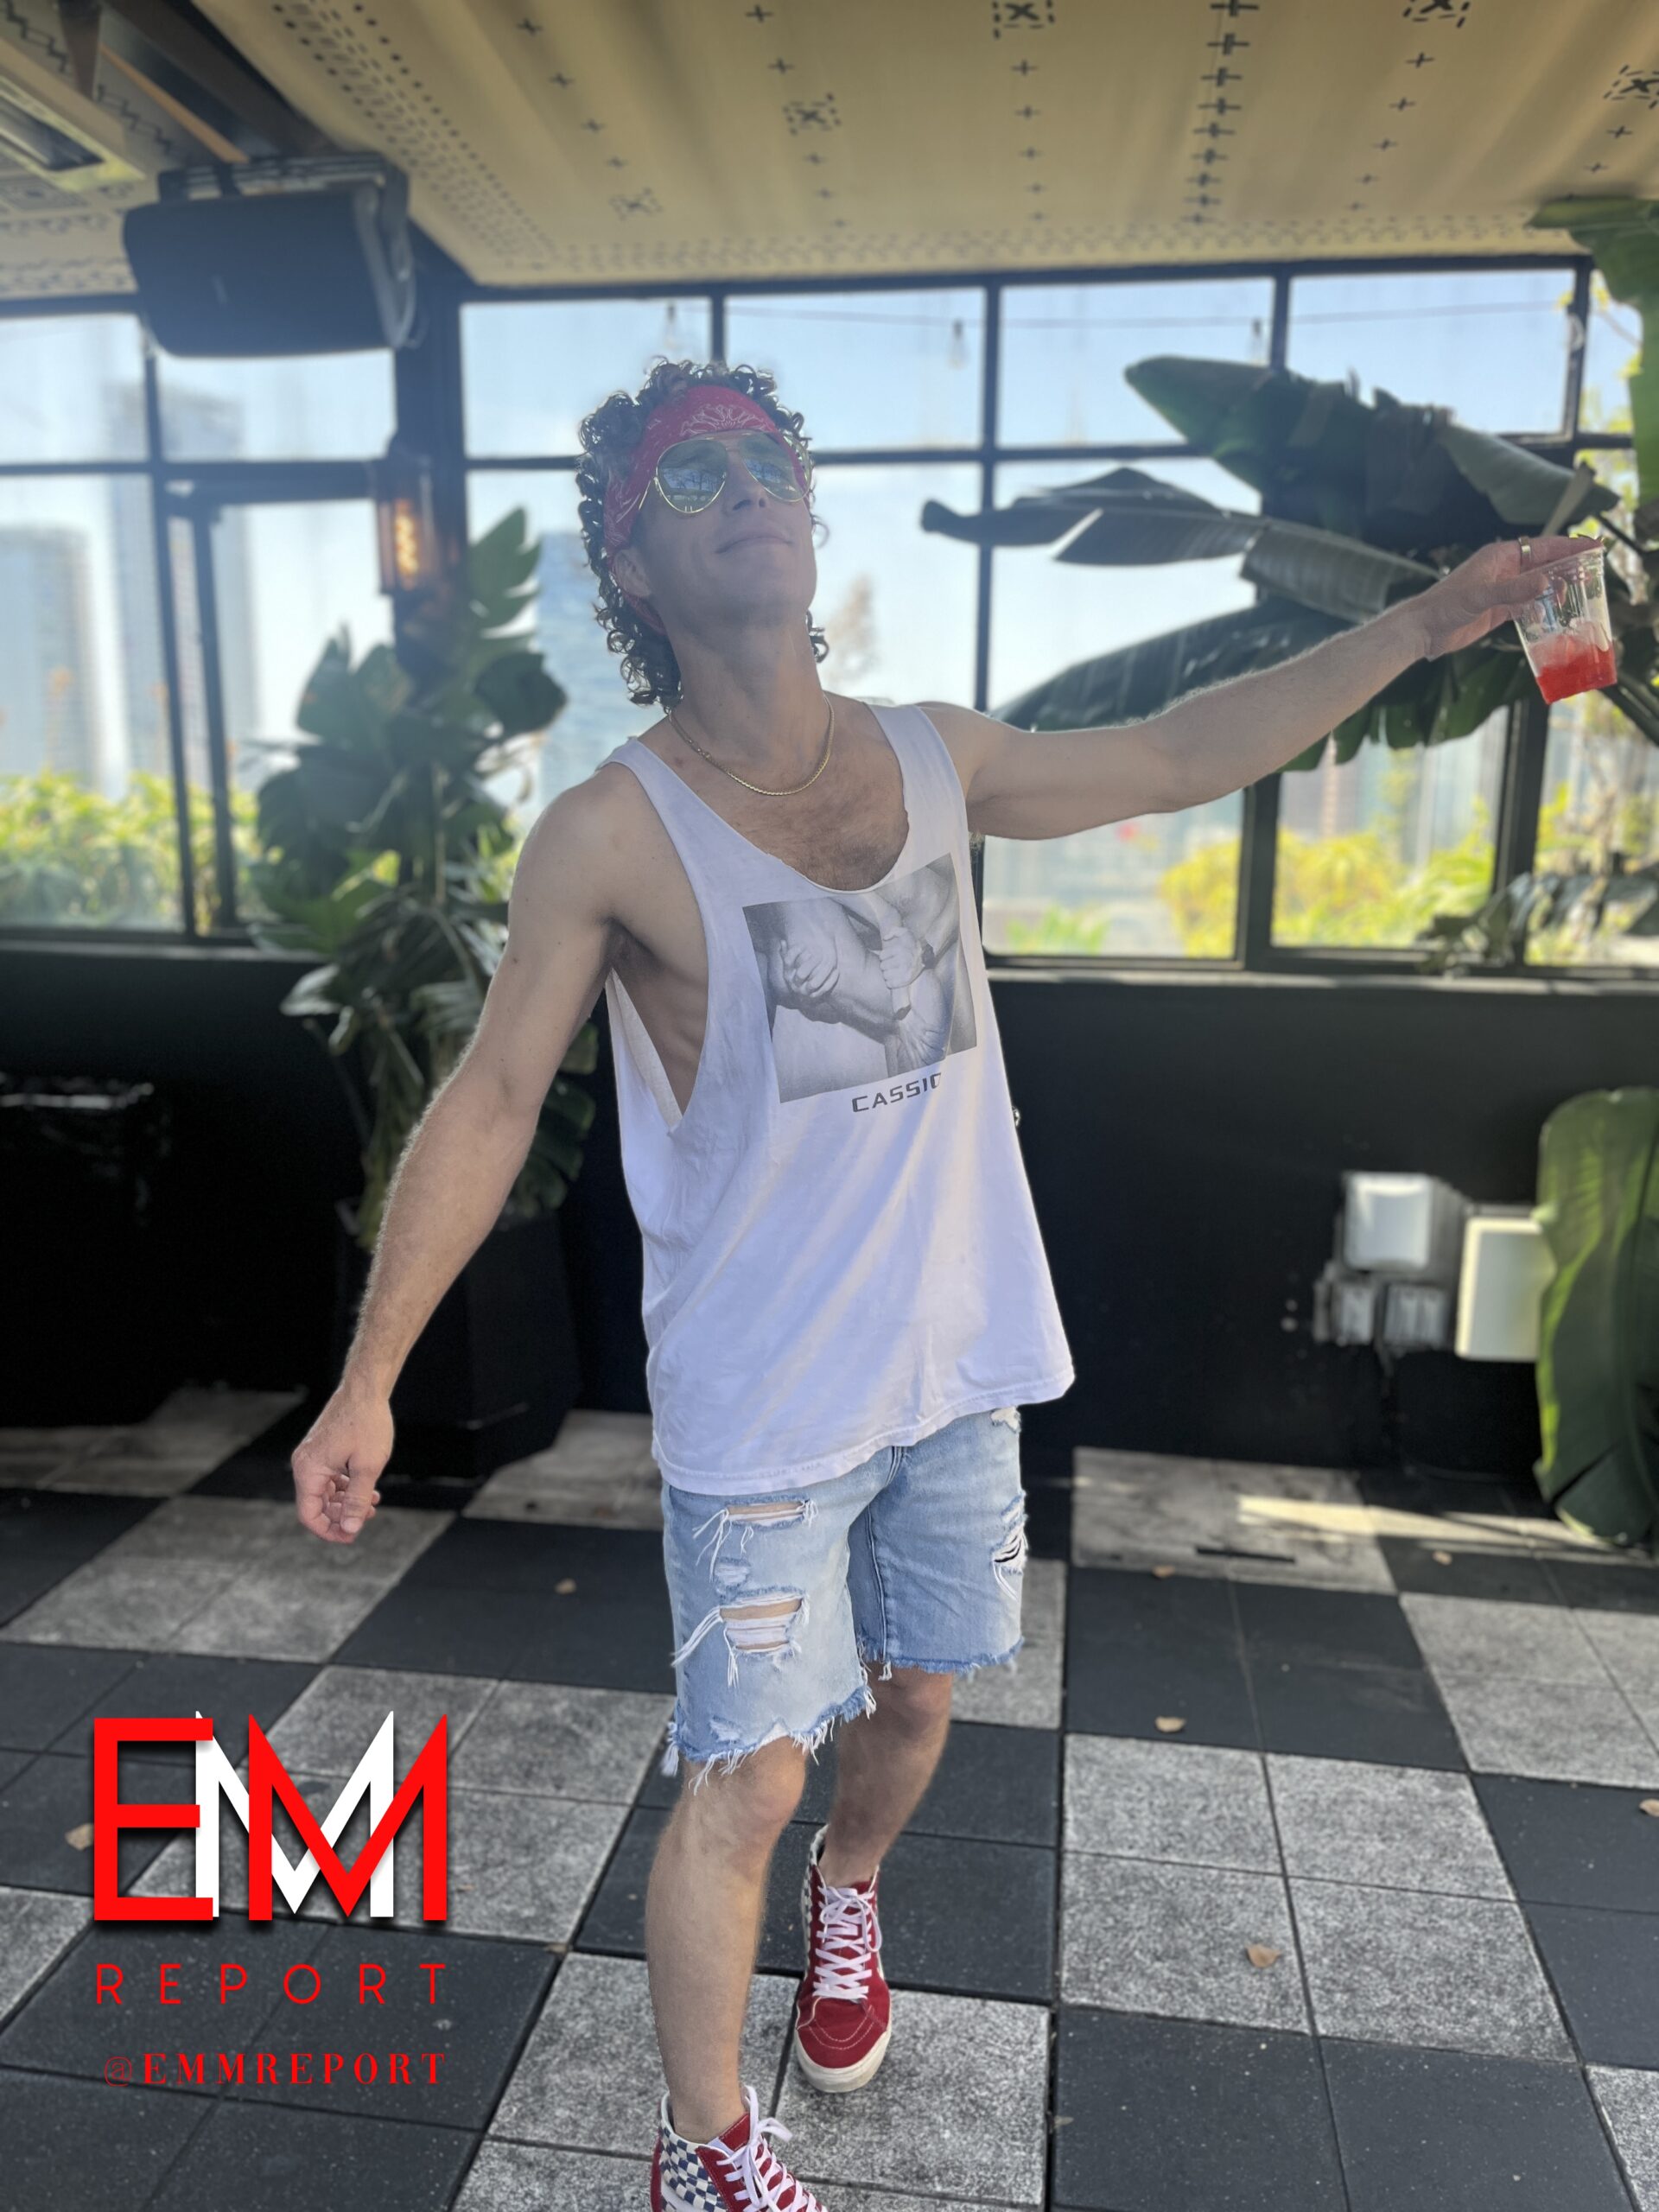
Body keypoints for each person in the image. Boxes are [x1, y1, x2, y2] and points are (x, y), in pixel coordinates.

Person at [290, 357, 1584, 2209]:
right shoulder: (610, 831)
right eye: (692, 478)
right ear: (632, 564)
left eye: (769, 459)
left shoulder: (933, 754)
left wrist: (1433, 618)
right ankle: (702, 2146)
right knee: (745, 1773)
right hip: (762, 1399)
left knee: (912, 1705)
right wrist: (368, 1379)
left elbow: (1181, 750)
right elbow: (494, 1096)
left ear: (812, 512)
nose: (747, 487)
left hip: (957, 1362)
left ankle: (852, 1893)